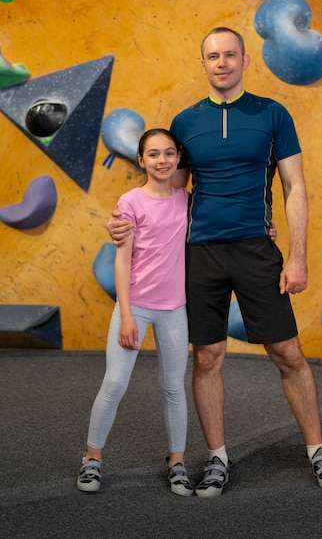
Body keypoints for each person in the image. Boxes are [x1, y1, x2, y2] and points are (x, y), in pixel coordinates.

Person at [108, 27, 322, 498]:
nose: (221, 62)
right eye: (212, 56)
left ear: (245, 60)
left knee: (288, 353)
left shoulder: (273, 114)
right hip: (199, 255)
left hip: (257, 249)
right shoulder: (185, 121)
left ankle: (317, 449)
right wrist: (125, 223)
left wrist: (297, 255)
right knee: (208, 356)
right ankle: (217, 458)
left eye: (230, 54)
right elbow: (167, 193)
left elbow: (294, 187)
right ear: (203, 64)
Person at [77, 129, 193, 497]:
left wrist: (264, 230)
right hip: (136, 308)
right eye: (154, 154)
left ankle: (177, 463)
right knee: (114, 383)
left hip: (174, 309)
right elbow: (122, 261)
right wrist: (127, 315)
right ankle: (92, 459)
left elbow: (219, 232)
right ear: (141, 160)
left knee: (174, 388)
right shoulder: (129, 202)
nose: (163, 161)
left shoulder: (187, 201)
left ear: (177, 158)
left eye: (169, 153)